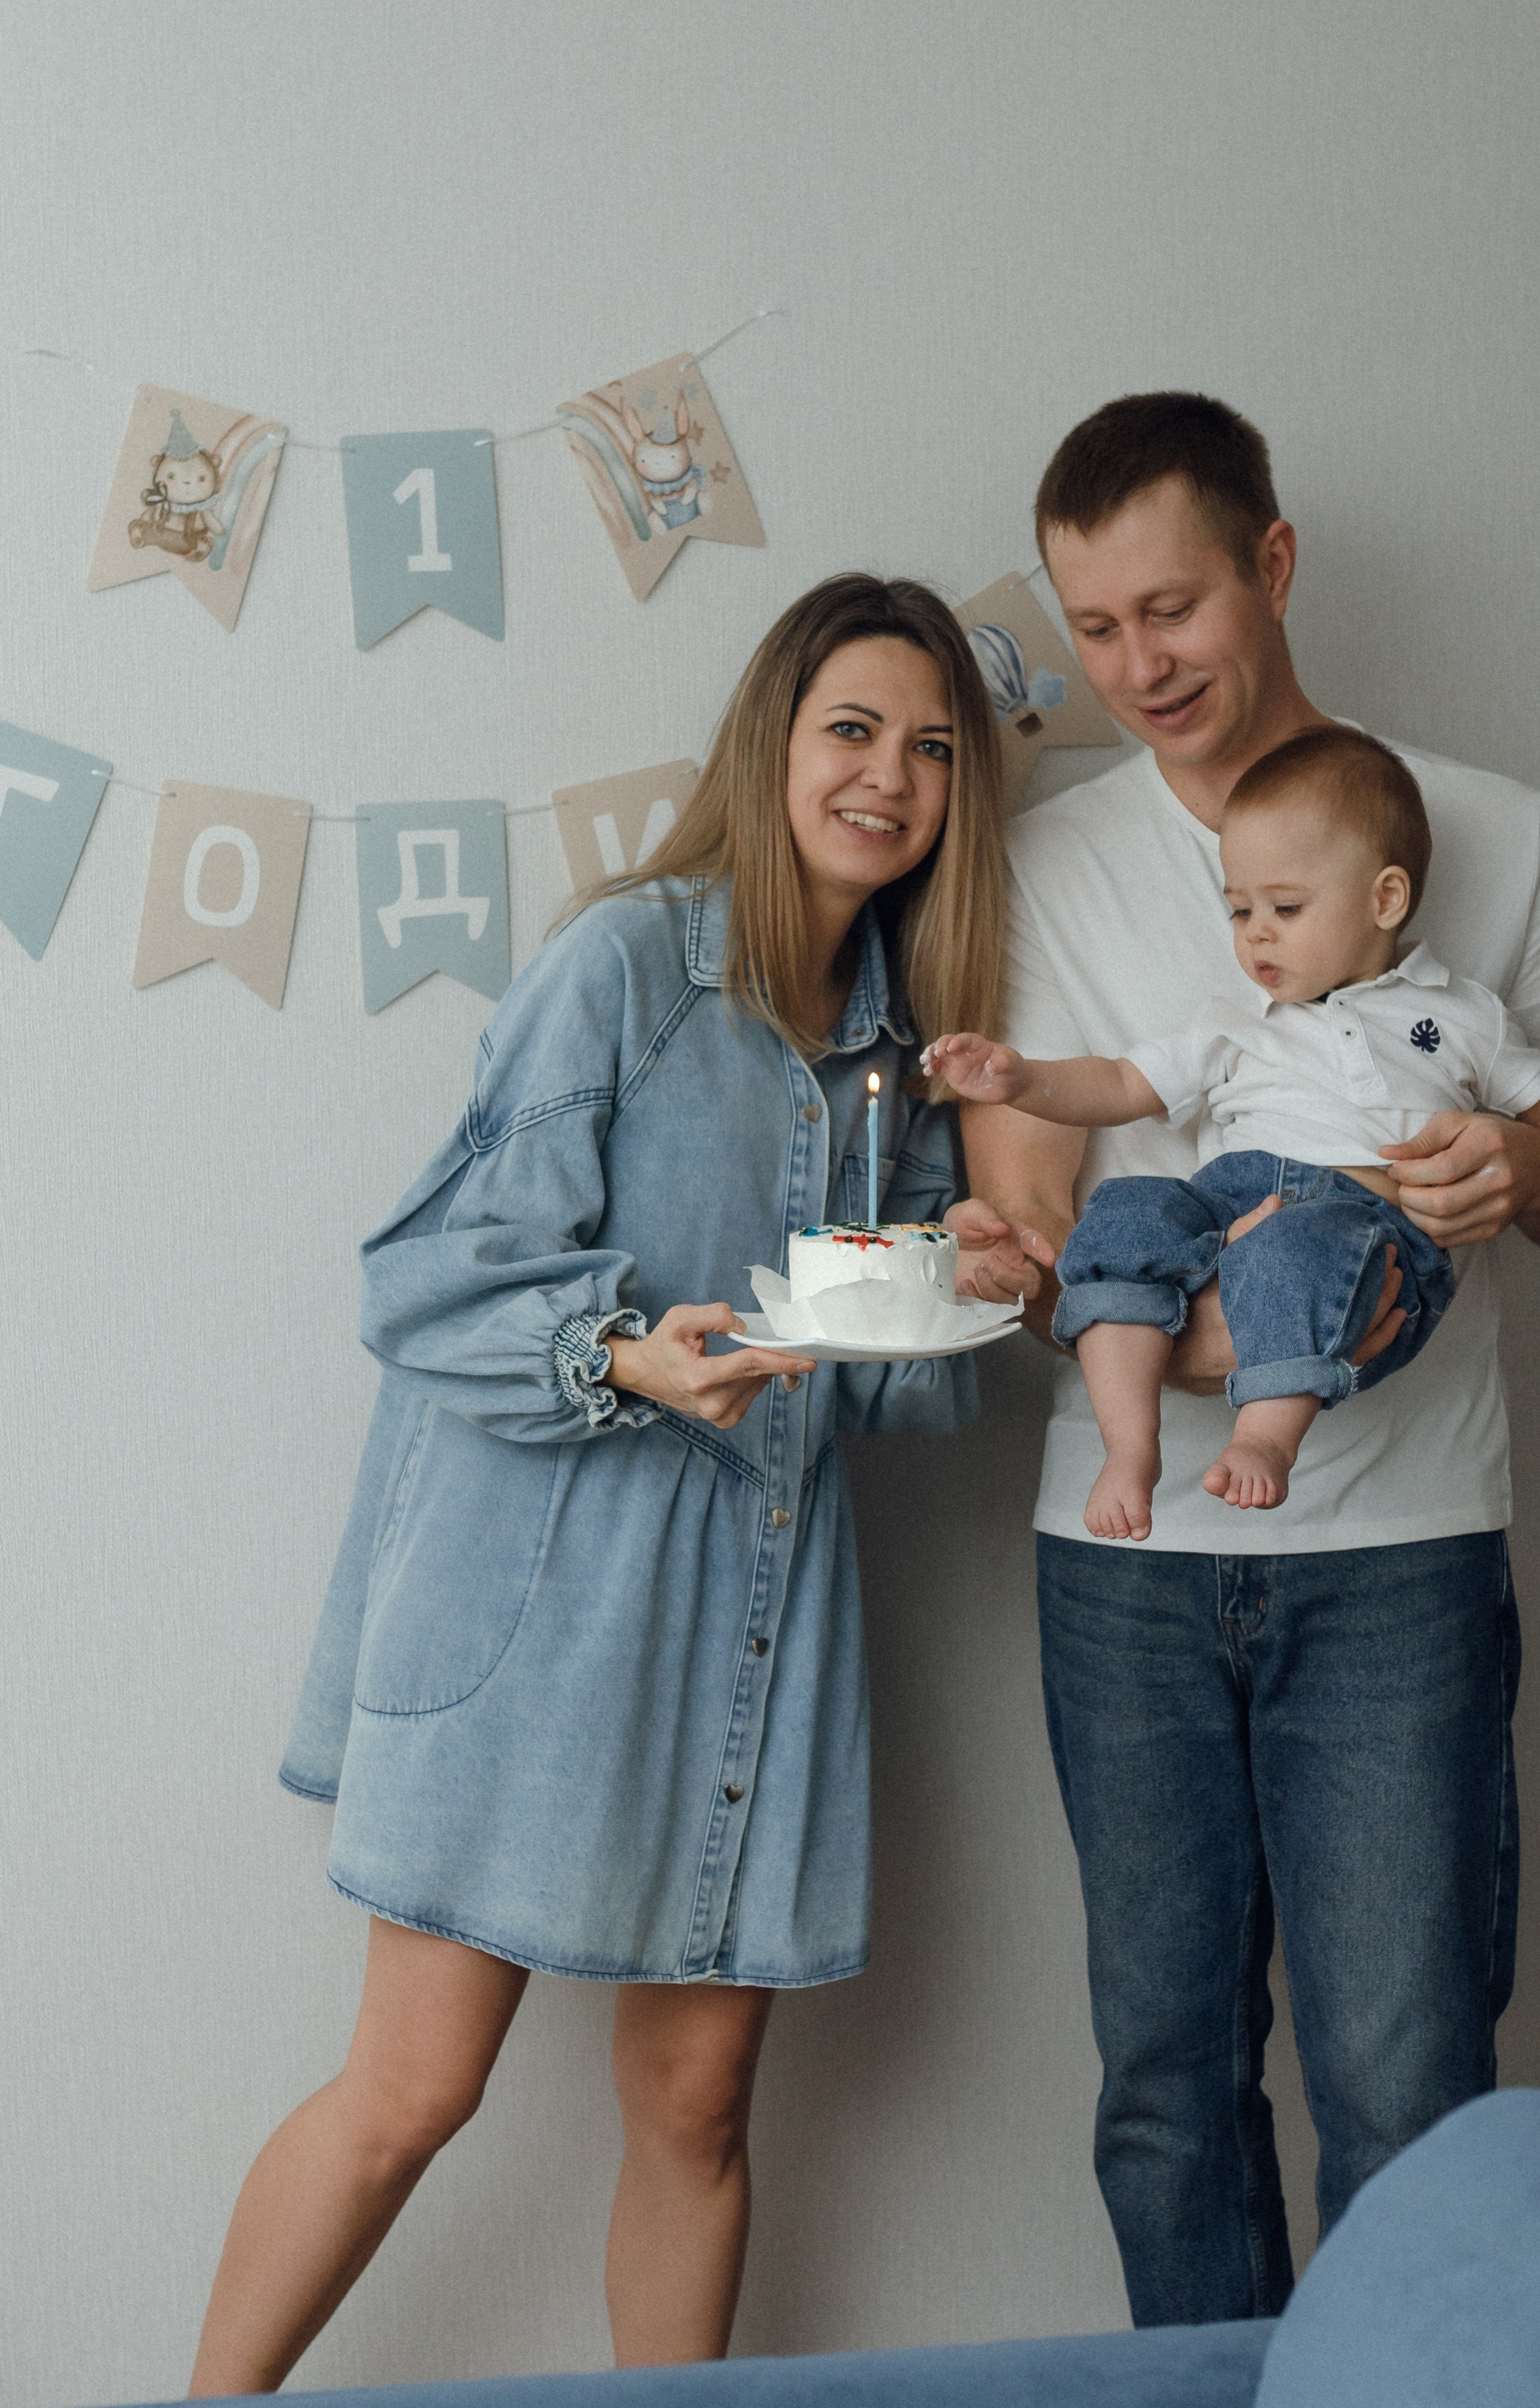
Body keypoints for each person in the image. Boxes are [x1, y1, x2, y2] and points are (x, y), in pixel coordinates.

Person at [187, 574, 1012, 2398]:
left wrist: (979, 1287)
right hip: (546, 1603)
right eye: (853, 731)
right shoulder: (631, 965)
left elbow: (884, 1403)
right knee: (414, 2093)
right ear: (775, 743)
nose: (889, 776)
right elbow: (421, 1278)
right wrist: (623, 1353)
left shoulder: (902, 1052)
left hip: (757, 1620)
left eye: (933, 748)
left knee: (702, 2103)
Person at [951, 393, 1540, 2327]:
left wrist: (1511, 1165)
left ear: (1270, 567)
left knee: (1409, 2093)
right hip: (1121, 1565)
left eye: (1171, 608)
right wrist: (1155, 1324)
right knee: (1165, 2097)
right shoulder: (1047, 863)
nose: (1137, 667)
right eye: (1093, 626)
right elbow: (1032, 1201)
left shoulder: (1492, 837)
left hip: (1400, 1564)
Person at [929, 727, 1540, 1533]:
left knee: (1297, 1249)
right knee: (1127, 1211)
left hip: (1366, 1229)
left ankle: (1265, 1440)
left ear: (1384, 899)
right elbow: (1116, 1082)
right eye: (1239, 909)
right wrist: (1021, 1078)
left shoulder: (1464, 1017)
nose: (1255, 932)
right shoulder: (1236, 1024)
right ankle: (1130, 1443)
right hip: (1226, 1203)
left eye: (1284, 908)